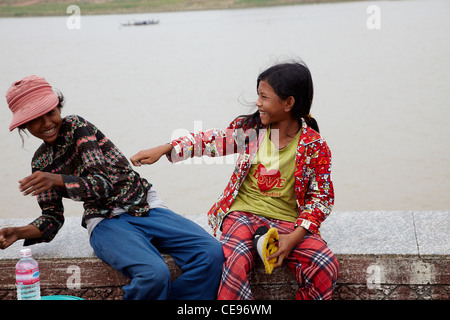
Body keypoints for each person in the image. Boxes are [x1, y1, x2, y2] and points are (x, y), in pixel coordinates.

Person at [0, 75, 224, 300]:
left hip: (145, 205)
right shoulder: (41, 163)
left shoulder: (76, 125)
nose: (47, 123)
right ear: (24, 125)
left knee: (212, 253)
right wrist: (18, 232)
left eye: (51, 112)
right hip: (106, 222)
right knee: (154, 274)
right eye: (36, 119)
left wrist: (58, 180)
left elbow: (103, 183)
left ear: (59, 107)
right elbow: (51, 219)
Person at [131, 61, 339, 300]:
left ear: (288, 103)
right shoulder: (251, 132)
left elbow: (321, 199)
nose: (257, 103)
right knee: (235, 263)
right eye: (258, 95)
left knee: (326, 266)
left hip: (289, 222)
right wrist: (167, 148)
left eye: (264, 97)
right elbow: (209, 141)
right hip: (242, 215)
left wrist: (293, 238)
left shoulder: (315, 146)